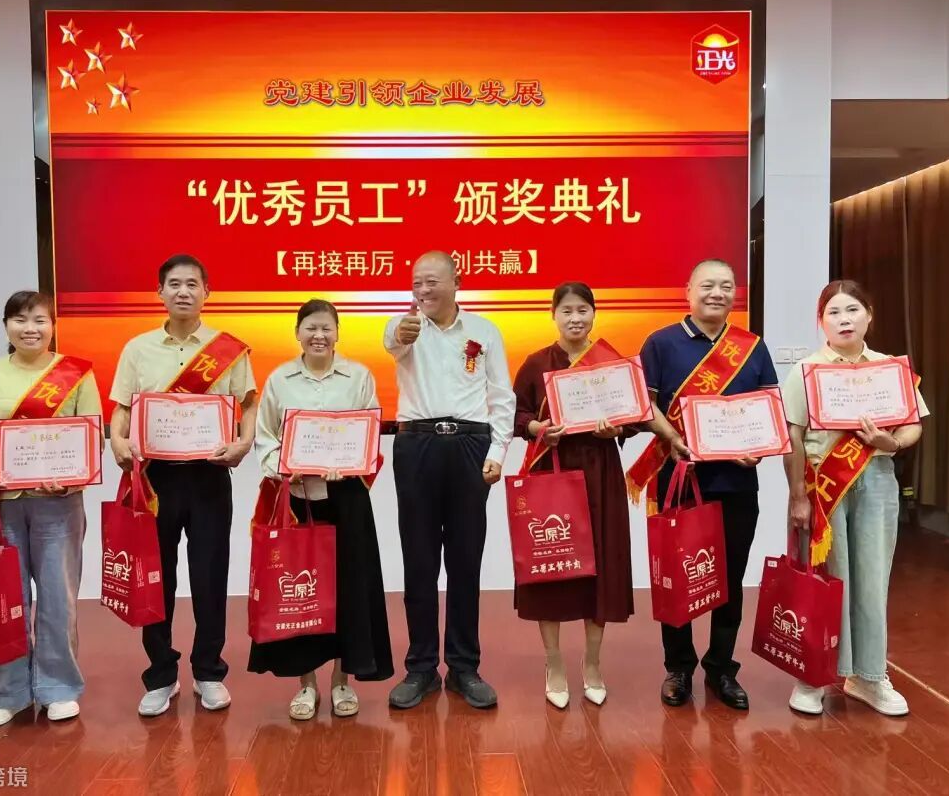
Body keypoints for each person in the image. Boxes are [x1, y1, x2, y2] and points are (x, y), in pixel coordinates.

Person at [513, 282, 688, 708]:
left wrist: (619, 429)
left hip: (600, 471)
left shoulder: (613, 364)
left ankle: (592, 663)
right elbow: (517, 415)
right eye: (567, 310)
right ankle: (554, 663)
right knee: (551, 565)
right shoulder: (536, 363)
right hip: (553, 470)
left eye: (583, 310)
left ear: (594, 314)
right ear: (553, 315)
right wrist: (538, 429)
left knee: (600, 568)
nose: (575, 318)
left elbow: (636, 415)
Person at [108, 254, 257, 717]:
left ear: (207, 292)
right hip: (157, 478)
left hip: (210, 474)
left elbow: (249, 403)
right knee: (156, 578)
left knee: (210, 575)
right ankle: (160, 674)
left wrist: (244, 442)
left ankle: (209, 671)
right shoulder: (138, 349)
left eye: (193, 284)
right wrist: (118, 440)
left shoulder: (228, 349)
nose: (183, 292)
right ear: (160, 292)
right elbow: (122, 408)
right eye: (174, 284)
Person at [0, 290, 101, 728]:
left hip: (59, 505)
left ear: (53, 326)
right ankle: (4, 693)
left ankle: (59, 688)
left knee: (57, 599)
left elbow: (91, 434)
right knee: (4, 598)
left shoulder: (76, 374)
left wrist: (71, 477)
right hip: (1, 506)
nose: (30, 328)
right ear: (6, 326)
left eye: (39, 320)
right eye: (20, 319)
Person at [629, 259, 778, 710]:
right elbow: (644, 405)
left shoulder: (752, 347)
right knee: (679, 575)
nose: (718, 293)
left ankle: (721, 668)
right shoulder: (661, 342)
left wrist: (760, 448)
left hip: (737, 481)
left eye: (726, 286)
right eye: (708, 285)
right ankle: (678, 668)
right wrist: (673, 437)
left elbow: (768, 408)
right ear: (688, 290)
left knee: (730, 578)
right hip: (679, 477)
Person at [781, 280, 926, 717]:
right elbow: (792, 436)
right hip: (822, 486)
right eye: (834, 312)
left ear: (869, 316)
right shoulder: (806, 370)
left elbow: (913, 424)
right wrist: (797, 496)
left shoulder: (889, 368)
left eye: (852, 310)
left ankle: (868, 676)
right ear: (821, 322)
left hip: (876, 480)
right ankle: (813, 675)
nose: (844, 320)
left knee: (872, 579)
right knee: (824, 579)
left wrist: (890, 442)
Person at [249, 299, 393, 720]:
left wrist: (349, 464)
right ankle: (307, 684)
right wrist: (285, 468)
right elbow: (265, 437)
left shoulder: (358, 376)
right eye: (311, 327)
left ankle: (341, 682)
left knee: (349, 590)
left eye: (327, 328)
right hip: (297, 498)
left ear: (337, 333)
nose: (319, 335)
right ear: (298, 333)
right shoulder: (280, 380)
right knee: (301, 591)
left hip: (346, 498)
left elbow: (369, 434)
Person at [384, 250, 516, 710]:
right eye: (417, 282)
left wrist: (497, 451)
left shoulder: (485, 331)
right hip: (416, 445)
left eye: (432, 281)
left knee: (465, 560)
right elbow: (393, 341)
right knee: (418, 560)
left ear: (456, 282)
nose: (423, 290)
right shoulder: (404, 326)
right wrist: (401, 333)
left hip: (470, 445)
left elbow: (502, 396)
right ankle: (420, 667)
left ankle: (463, 667)